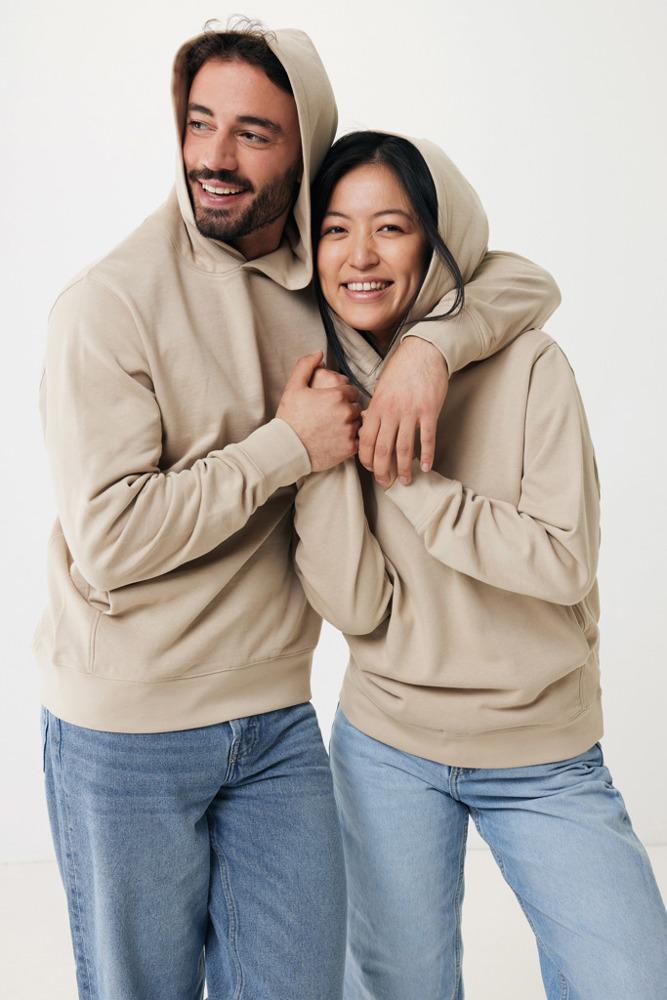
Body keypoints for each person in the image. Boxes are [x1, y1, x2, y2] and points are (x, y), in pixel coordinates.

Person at [35, 21, 560, 1000]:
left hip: (274, 721)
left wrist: (427, 349)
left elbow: (517, 278)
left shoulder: (324, 273)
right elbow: (109, 540)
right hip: (128, 727)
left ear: (305, 149)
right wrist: (288, 445)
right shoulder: (107, 304)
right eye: (199, 124)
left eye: (253, 133)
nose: (214, 158)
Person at [293, 130, 667, 999]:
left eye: (390, 227)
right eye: (336, 229)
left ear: (436, 239)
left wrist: (410, 472)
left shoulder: (530, 362)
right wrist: (318, 461)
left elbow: (562, 560)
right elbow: (355, 606)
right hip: (387, 745)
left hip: (542, 749)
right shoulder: (323, 386)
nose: (359, 255)